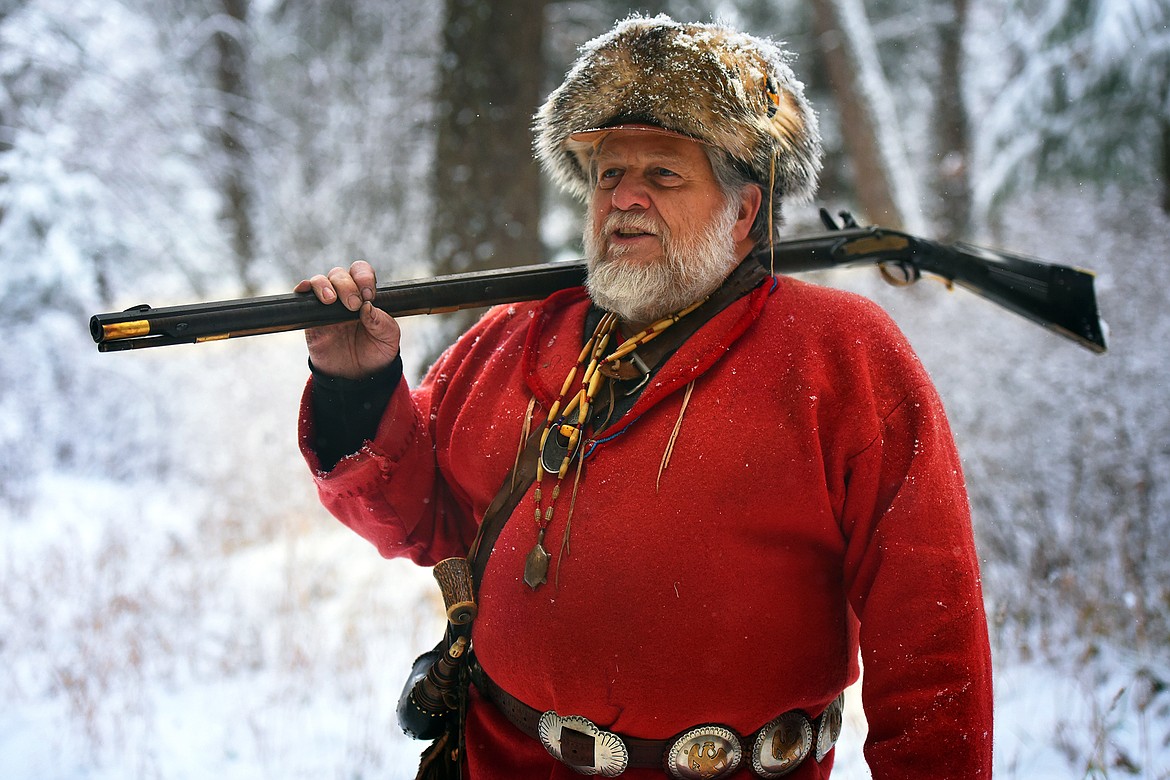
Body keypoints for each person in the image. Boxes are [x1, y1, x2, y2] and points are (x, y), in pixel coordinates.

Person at [295, 14, 993, 779]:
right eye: (607, 175)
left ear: (744, 212)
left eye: (662, 174)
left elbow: (933, 647)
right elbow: (420, 519)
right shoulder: (515, 337)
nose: (623, 198)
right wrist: (354, 388)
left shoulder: (842, 355)